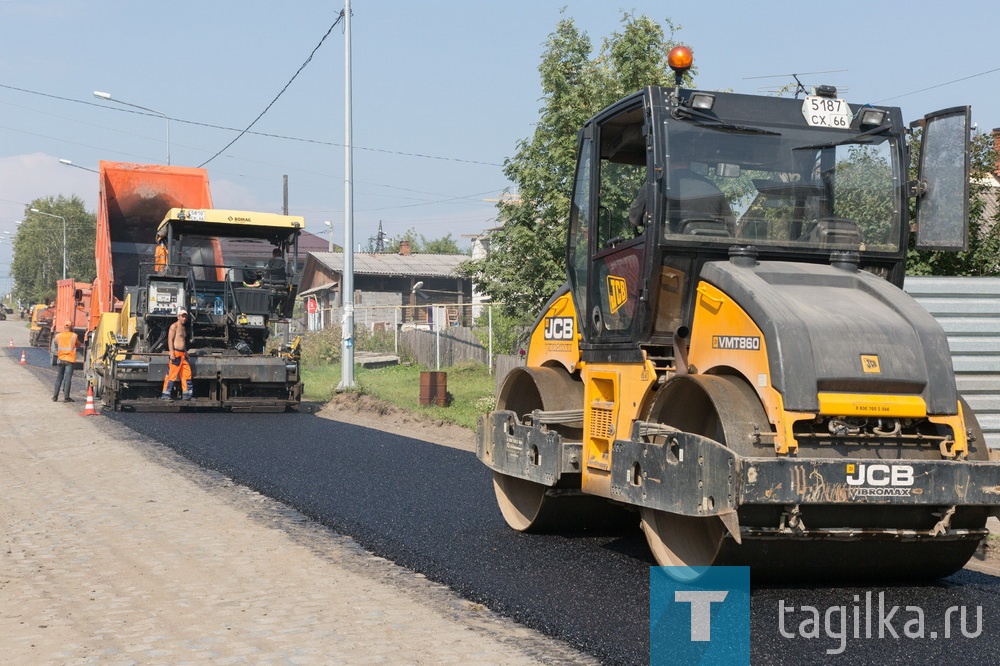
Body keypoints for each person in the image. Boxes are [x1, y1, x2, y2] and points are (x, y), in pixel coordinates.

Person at [161, 309, 193, 401]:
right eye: (182, 316)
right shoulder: (174, 326)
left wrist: (186, 353)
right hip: (176, 353)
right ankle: (165, 395)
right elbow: (170, 340)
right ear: (178, 317)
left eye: (185, 316)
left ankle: (187, 395)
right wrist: (171, 353)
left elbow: (183, 342)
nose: (184, 318)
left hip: (183, 355)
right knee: (171, 375)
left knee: (187, 375)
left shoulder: (183, 328)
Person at [51, 320, 79, 402]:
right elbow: (78, 344)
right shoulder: (74, 336)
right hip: (69, 360)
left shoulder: (58, 336)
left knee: (59, 378)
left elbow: (55, 343)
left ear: (64, 327)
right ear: (71, 327)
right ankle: (66, 397)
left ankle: (55, 397)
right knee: (67, 378)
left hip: (61, 359)